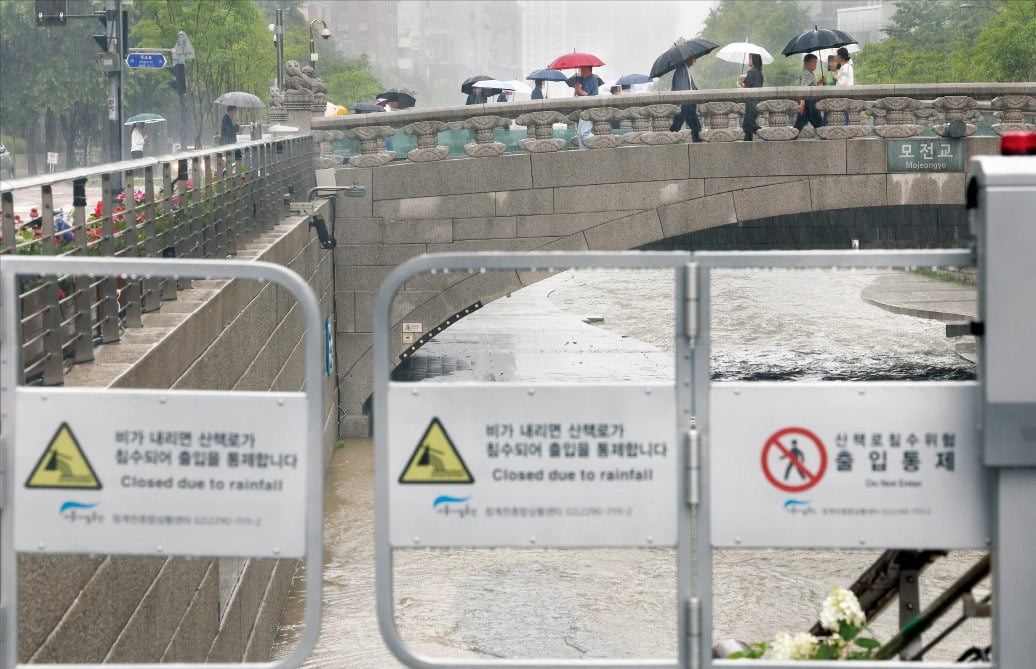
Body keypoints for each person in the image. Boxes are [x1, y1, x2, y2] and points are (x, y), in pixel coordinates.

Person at [670, 54, 701, 142]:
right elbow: (680, 88)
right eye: (693, 58)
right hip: (685, 104)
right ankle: (669, 137)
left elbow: (693, 87)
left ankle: (697, 141)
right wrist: (681, 104)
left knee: (695, 125)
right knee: (678, 124)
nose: (694, 61)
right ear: (687, 58)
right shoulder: (681, 70)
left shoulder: (685, 69)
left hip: (689, 103)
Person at [793, 54, 825, 133]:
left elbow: (810, 86)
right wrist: (802, 102)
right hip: (809, 103)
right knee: (819, 125)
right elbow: (803, 88)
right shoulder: (806, 73)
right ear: (808, 63)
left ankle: (792, 135)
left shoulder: (808, 72)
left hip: (809, 103)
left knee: (798, 126)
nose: (815, 64)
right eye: (814, 62)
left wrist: (820, 82)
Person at [572, 66, 599, 149]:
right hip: (584, 111)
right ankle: (583, 152)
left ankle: (592, 149)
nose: (580, 70)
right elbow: (581, 95)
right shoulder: (585, 80)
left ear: (587, 68)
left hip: (589, 110)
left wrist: (578, 89)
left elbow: (588, 95)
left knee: (585, 133)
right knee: (580, 133)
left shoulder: (592, 79)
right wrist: (577, 91)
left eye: (582, 68)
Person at [741, 53, 763, 141]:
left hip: (750, 102)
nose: (748, 60)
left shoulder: (751, 72)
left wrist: (743, 82)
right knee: (748, 127)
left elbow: (747, 88)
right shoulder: (759, 72)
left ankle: (765, 133)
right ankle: (747, 146)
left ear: (753, 60)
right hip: (756, 102)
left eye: (749, 58)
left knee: (747, 125)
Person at [833, 47, 854, 125]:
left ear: (841, 57)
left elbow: (843, 83)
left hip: (845, 96)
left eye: (837, 56)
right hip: (842, 96)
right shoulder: (844, 67)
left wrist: (836, 76)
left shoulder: (847, 67)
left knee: (845, 116)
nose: (836, 58)